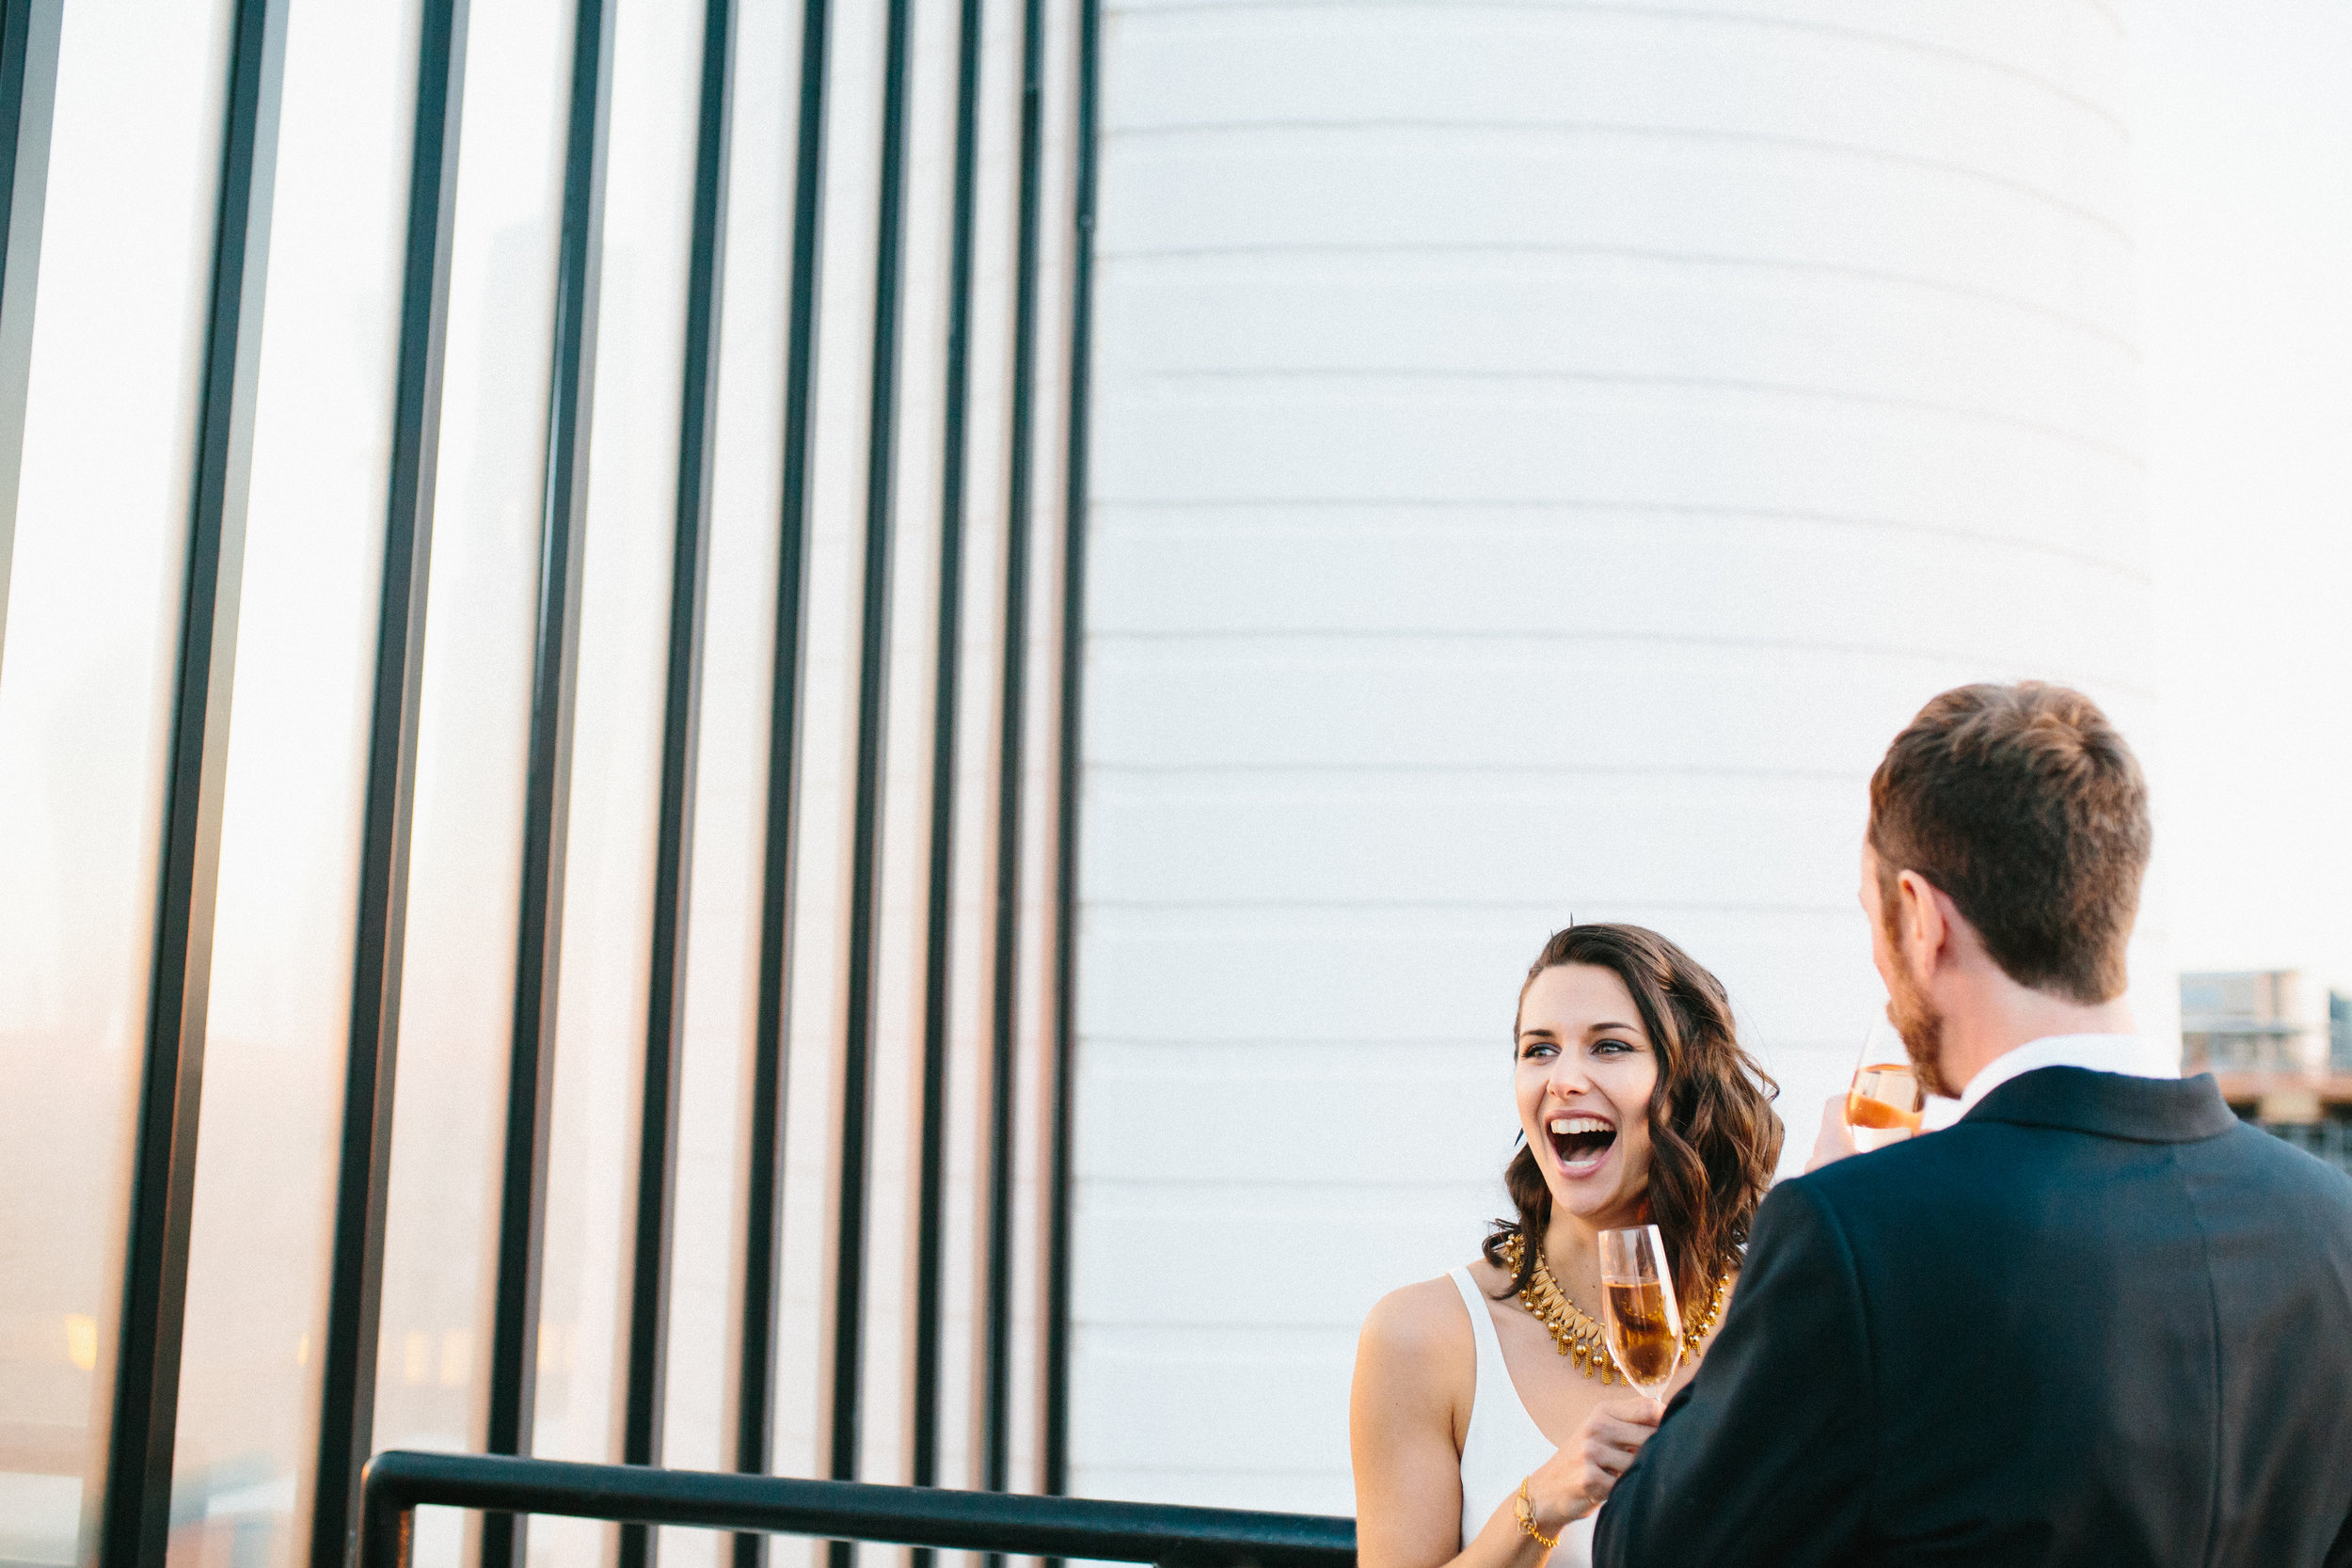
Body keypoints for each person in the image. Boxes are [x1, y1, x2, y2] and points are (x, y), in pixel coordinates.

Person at [1593, 682, 2352, 1566]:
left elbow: (1653, 1550)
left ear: (1920, 917)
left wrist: (1797, 1216)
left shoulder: (1851, 1236)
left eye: (1875, 922)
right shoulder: (2330, 1224)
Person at [1351, 924, 1782, 1568]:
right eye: (1539, 1049)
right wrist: (1537, 1507)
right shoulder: (1423, 1336)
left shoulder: (1777, 1321)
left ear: (1687, 1084)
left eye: (1609, 1046)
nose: (1565, 1078)